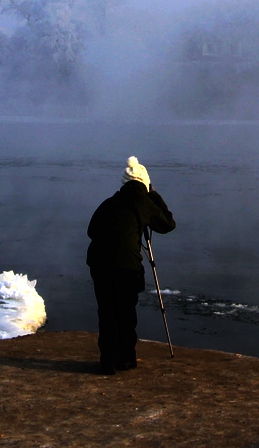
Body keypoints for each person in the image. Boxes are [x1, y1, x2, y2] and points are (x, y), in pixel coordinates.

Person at [86, 156, 176, 374]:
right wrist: (155, 196)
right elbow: (168, 224)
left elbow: (91, 231)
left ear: (124, 183)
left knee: (107, 313)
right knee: (125, 313)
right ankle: (125, 359)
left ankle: (107, 361)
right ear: (145, 183)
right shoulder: (145, 202)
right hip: (127, 266)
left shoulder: (109, 203)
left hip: (99, 264)